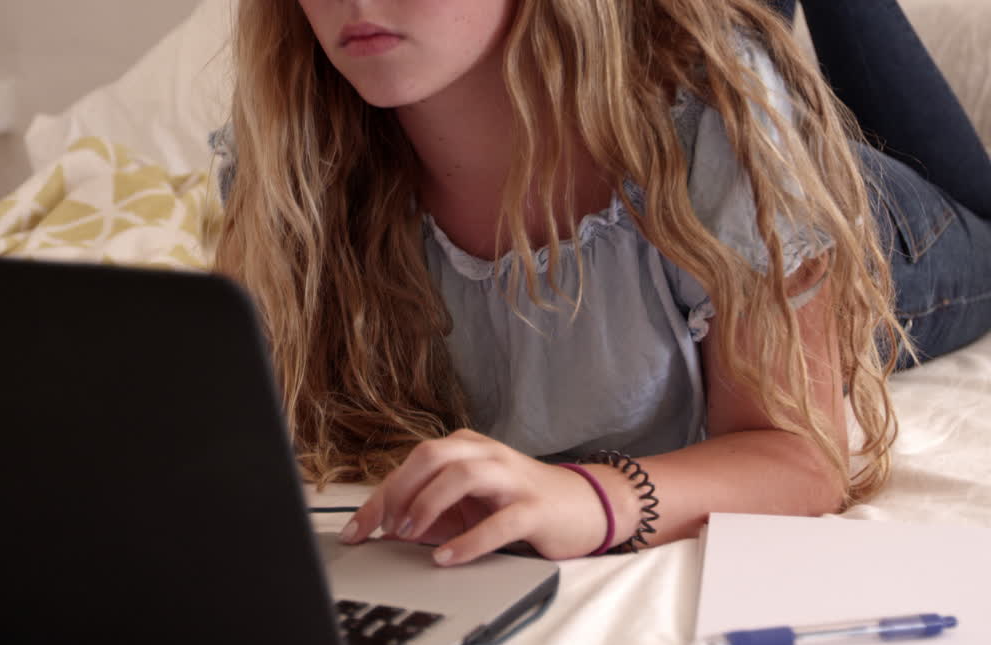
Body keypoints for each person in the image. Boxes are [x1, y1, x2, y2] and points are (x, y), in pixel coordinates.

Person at [211, 0, 991, 565]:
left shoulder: (712, 114)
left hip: (822, 226)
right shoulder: (292, 143)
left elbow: (800, 456)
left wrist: (593, 499)